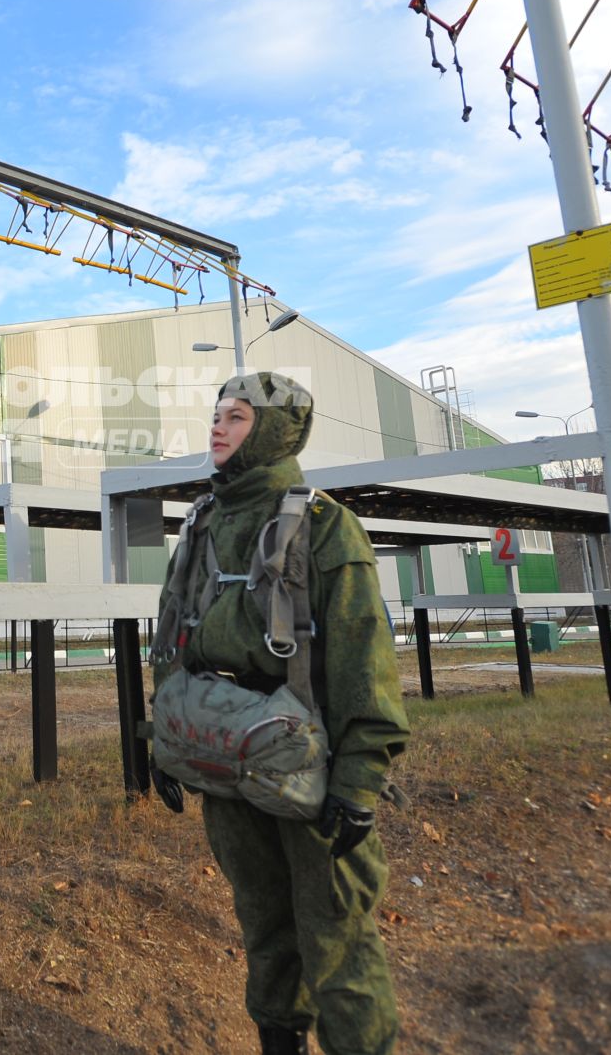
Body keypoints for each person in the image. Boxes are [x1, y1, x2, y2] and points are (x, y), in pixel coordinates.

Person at [150, 373, 410, 1055]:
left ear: (273, 430)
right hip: (222, 758)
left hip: (309, 769)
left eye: (236, 417)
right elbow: (171, 633)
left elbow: (364, 660)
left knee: (336, 934)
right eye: (215, 415)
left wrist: (358, 782)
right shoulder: (203, 524)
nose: (217, 428)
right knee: (264, 925)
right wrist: (163, 740)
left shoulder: (324, 526)